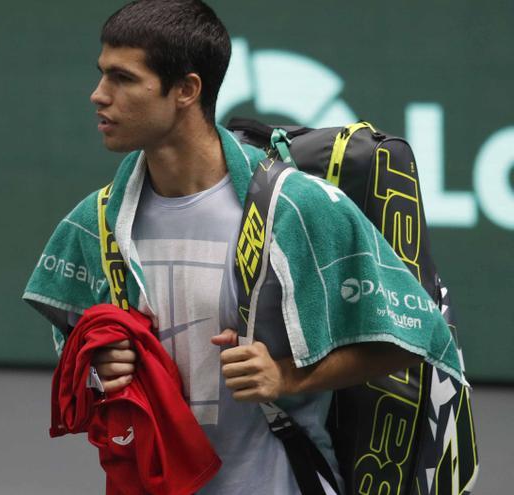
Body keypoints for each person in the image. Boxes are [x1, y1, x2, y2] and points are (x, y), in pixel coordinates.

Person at [23, 1, 460, 493]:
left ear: (186, 90)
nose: (99, 95)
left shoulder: (297, 208)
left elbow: (421, 339)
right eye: (102, 75)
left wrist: (288, 377)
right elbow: (78, 358)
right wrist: (100, 368)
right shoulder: (95, 220)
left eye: (123, 79)